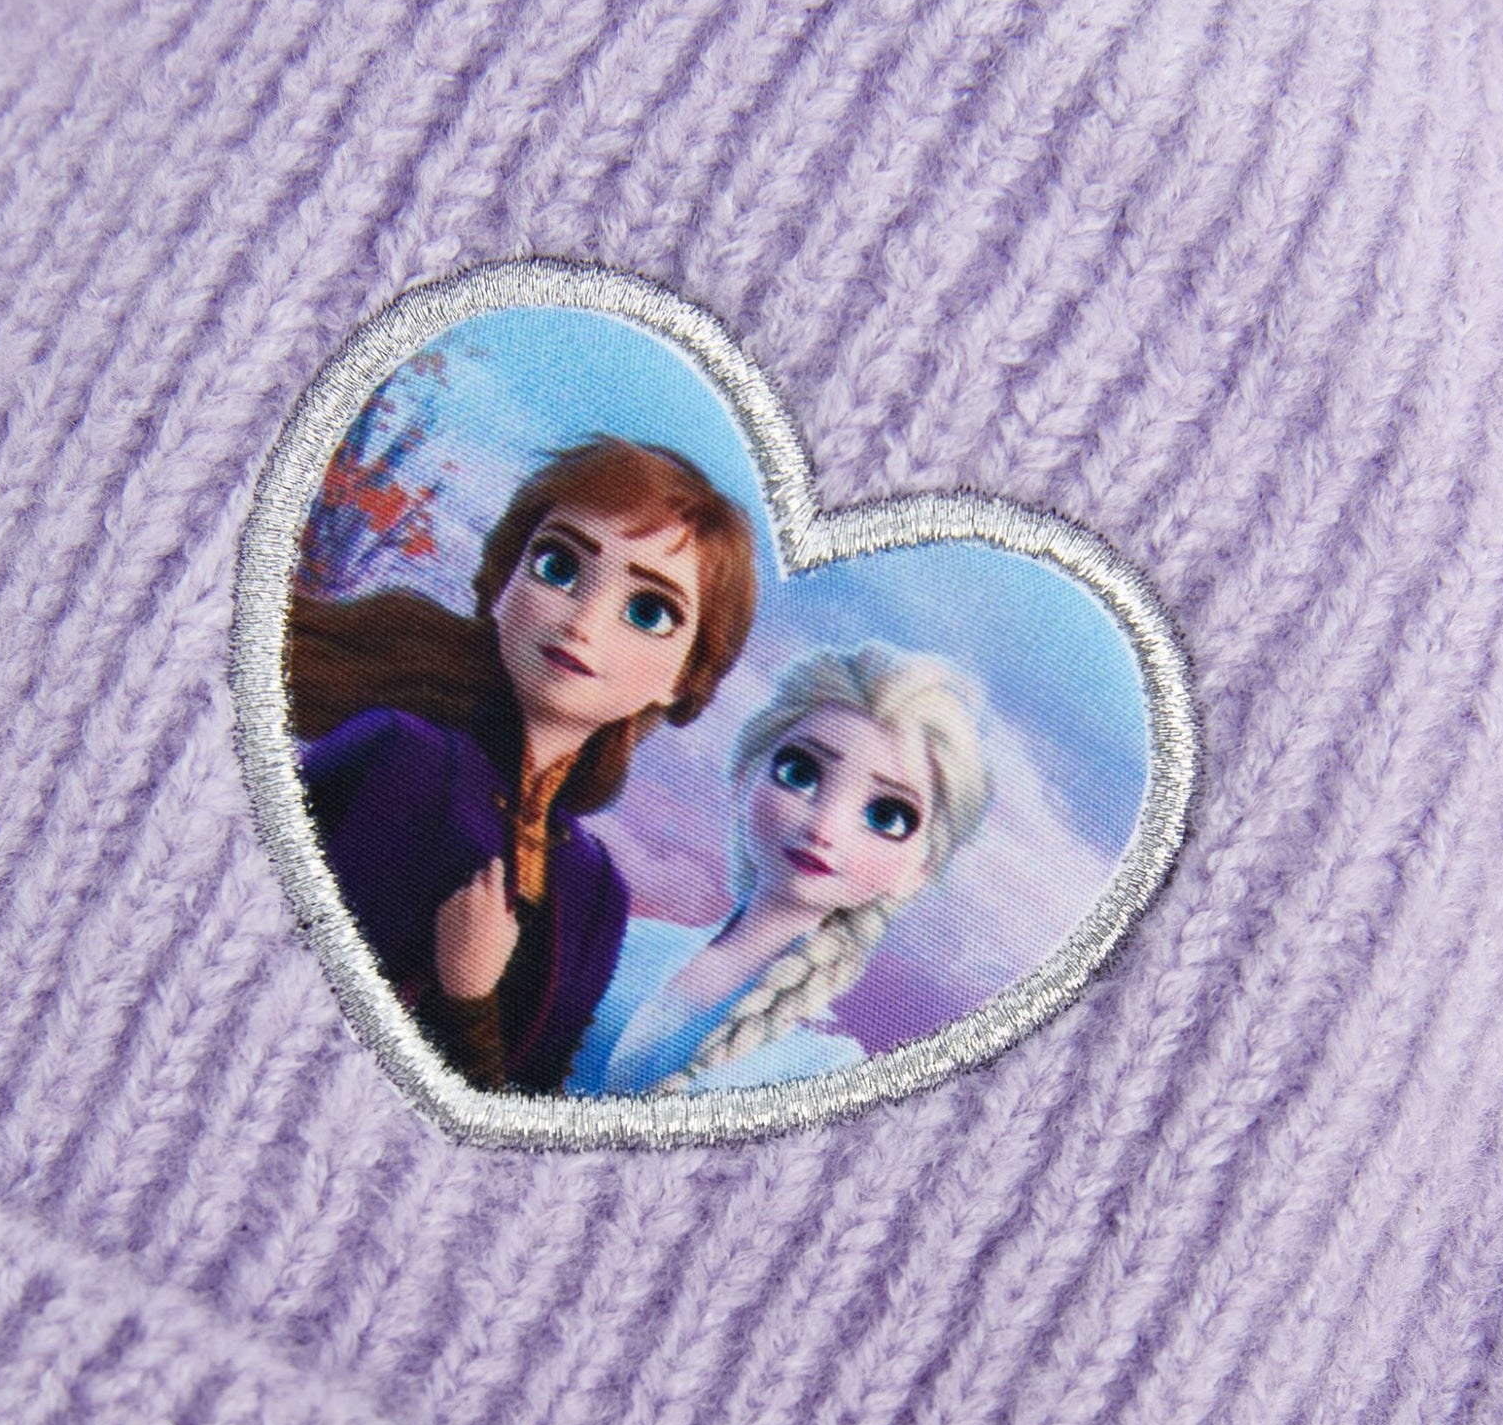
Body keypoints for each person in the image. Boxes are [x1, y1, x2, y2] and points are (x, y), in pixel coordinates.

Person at [291, 436, 758, 1093]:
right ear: (503, 584)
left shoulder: (597, 894)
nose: (584, 622)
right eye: (558, 566)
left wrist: (470, 1002)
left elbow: (526, 1115)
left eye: (647, 612)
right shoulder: (397, 760)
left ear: (682, 679)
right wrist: (462, 1001)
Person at [568, 643, 993, 1096]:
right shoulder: (621, 943)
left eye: (886, 816)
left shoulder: (828, 1067)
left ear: (920, 869)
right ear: (744, 777)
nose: (823, 828)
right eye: (801, 772)